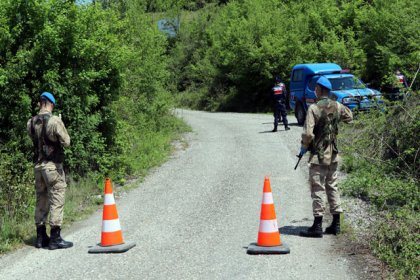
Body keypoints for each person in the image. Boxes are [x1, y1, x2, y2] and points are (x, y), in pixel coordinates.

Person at [298, 77, 353, 238]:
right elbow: (350, 118)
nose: (315, 90)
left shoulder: (314, 108)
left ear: (319, 90)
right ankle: (336, 224)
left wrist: (304, 146)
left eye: (316, 88)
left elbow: (308, 133)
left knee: (318, 188)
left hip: (319, 156)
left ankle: (317, 226)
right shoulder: (338, 105)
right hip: (334, 154)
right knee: (332, 186)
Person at [27, 92, 73, 249]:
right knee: (57, 198)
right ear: (50, 104)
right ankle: (55, 238)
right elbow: (66, 142)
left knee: (41, 199)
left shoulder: (31, 122)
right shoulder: (54, 121)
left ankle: (40, 237)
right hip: (52, 167)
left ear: (40, 102)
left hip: (38, 167)